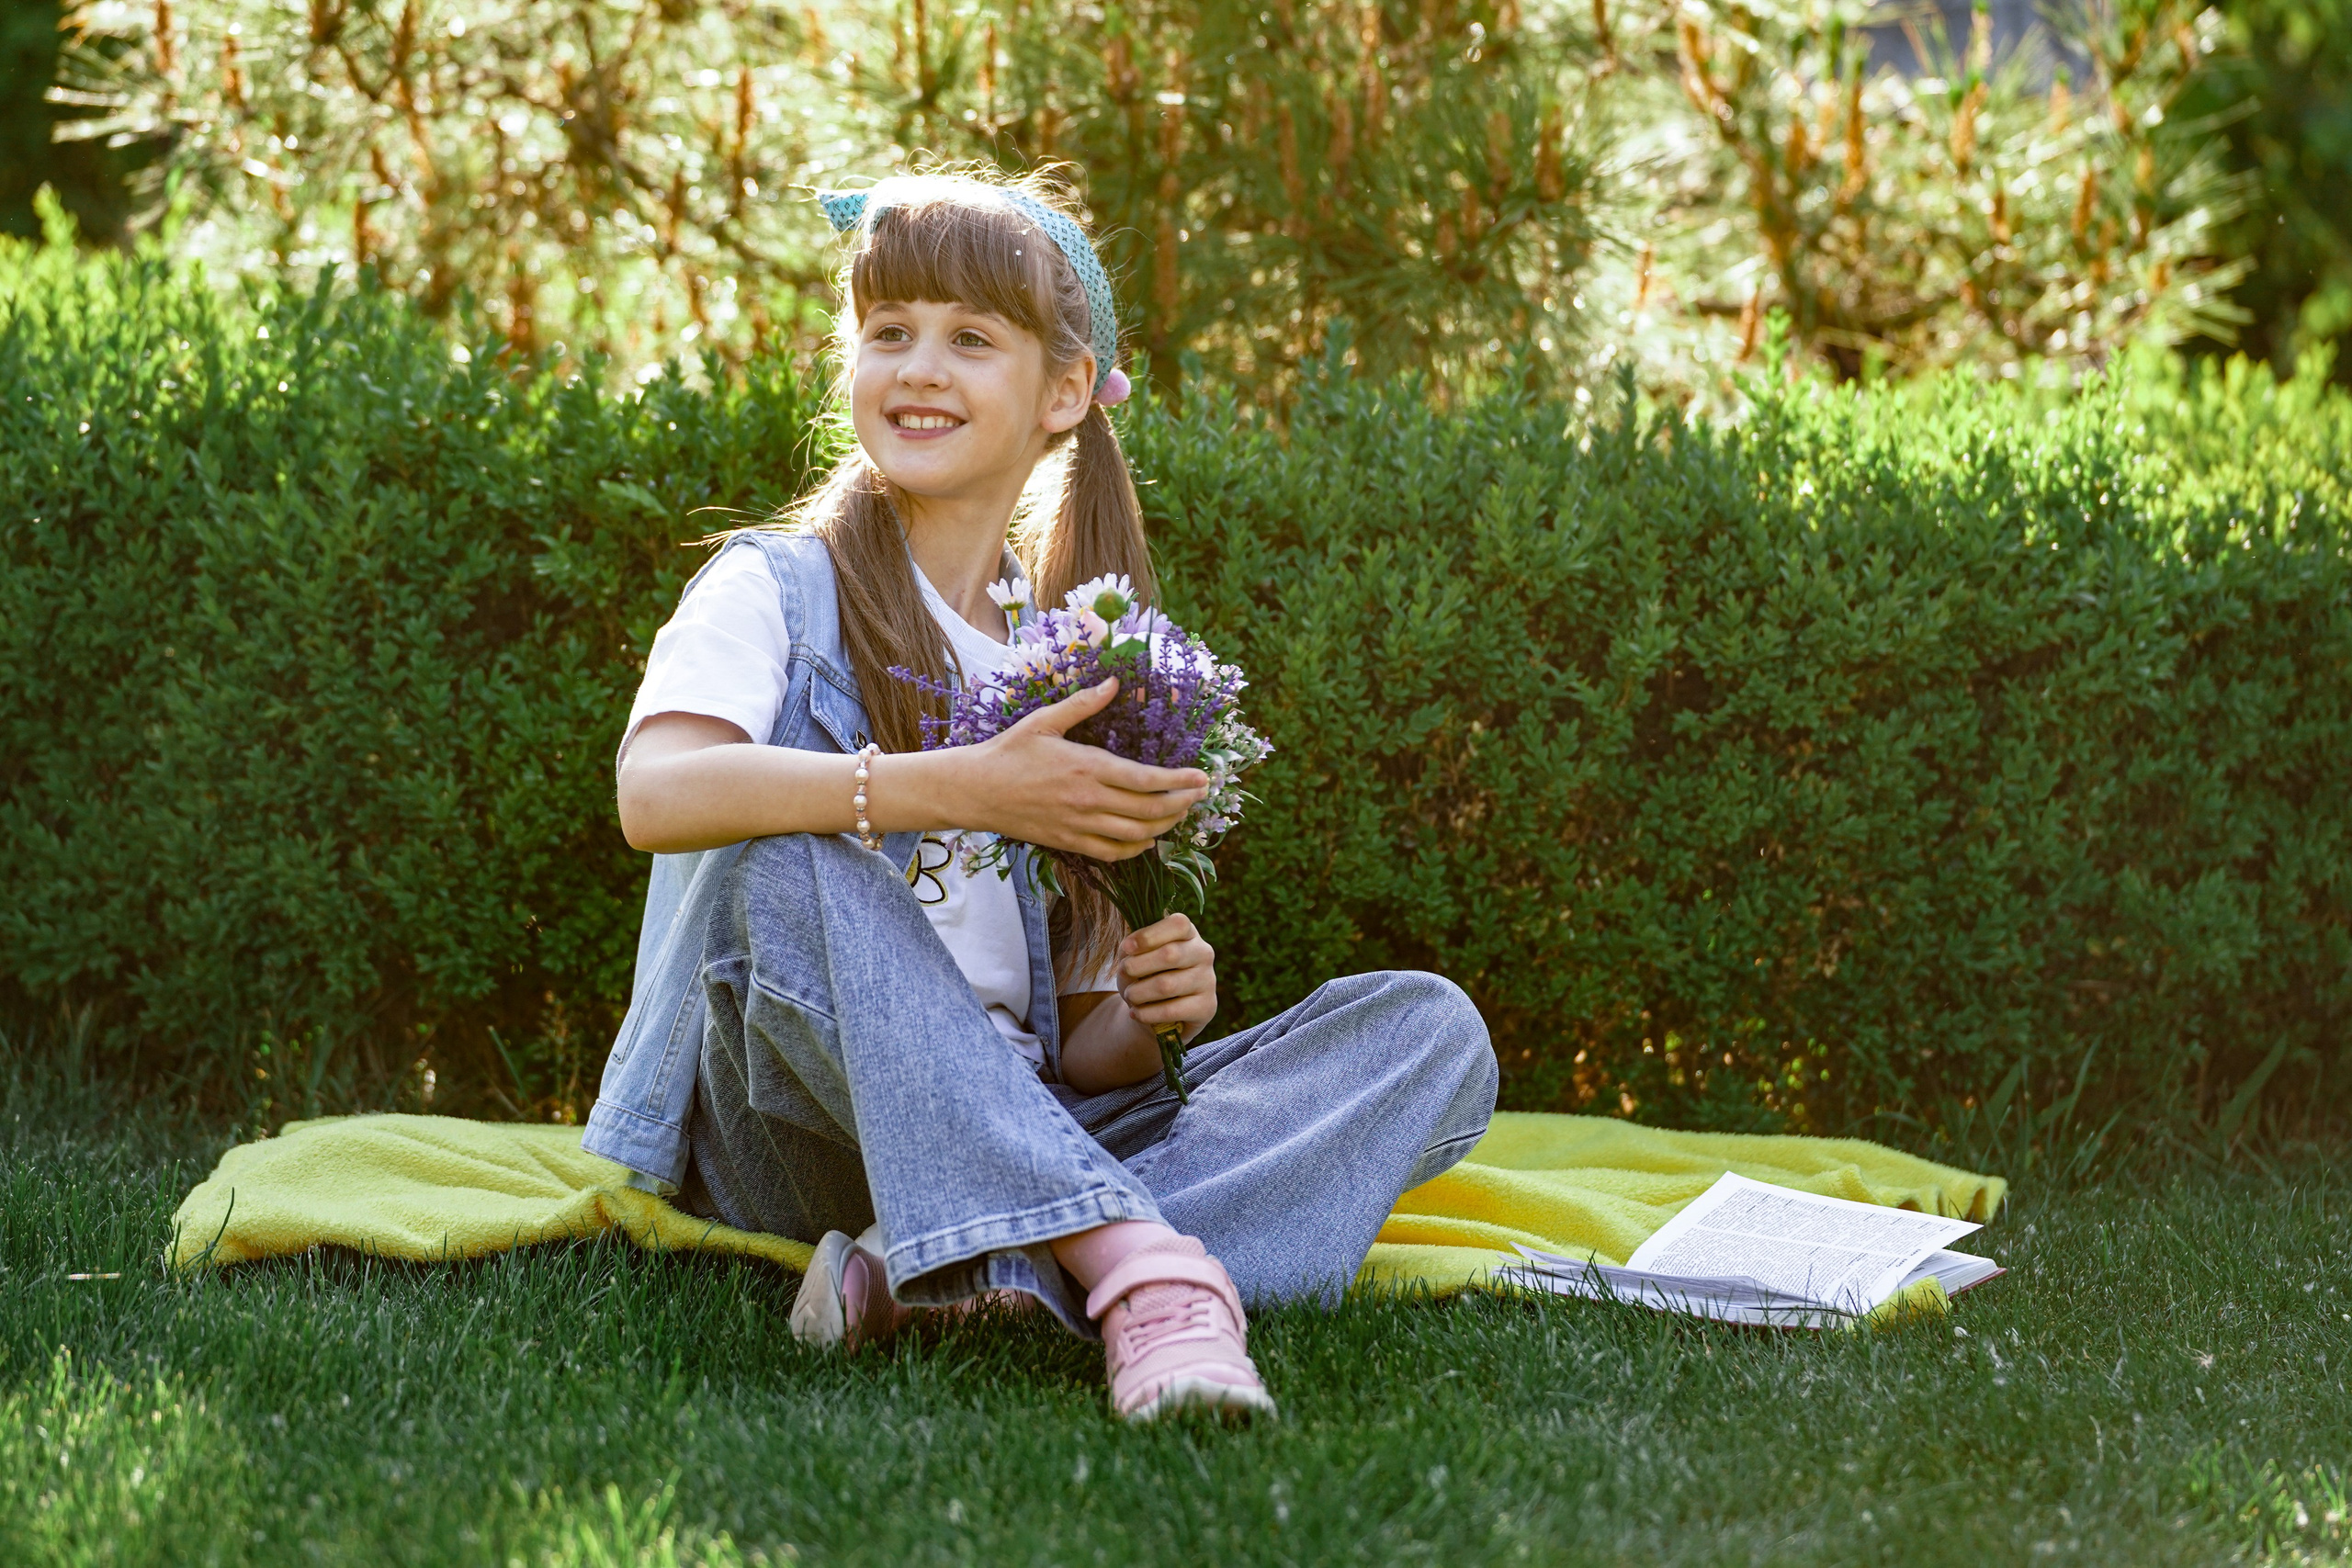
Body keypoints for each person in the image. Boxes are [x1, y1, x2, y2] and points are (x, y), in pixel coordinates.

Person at [586, 168, 1497, 1423]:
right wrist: (954, 785)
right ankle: (1142, 1271)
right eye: (888, 332)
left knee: (1425, 1030)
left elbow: (1071, 1042)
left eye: (970, 339)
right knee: (786, 860)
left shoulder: (1053, 654)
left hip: (1032, 1111)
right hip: (802, 1134)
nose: (918, 367)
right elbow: (658, 795)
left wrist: (1139, 1010)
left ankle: (972, 1269)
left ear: (1063, 392)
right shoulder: (774, 591)